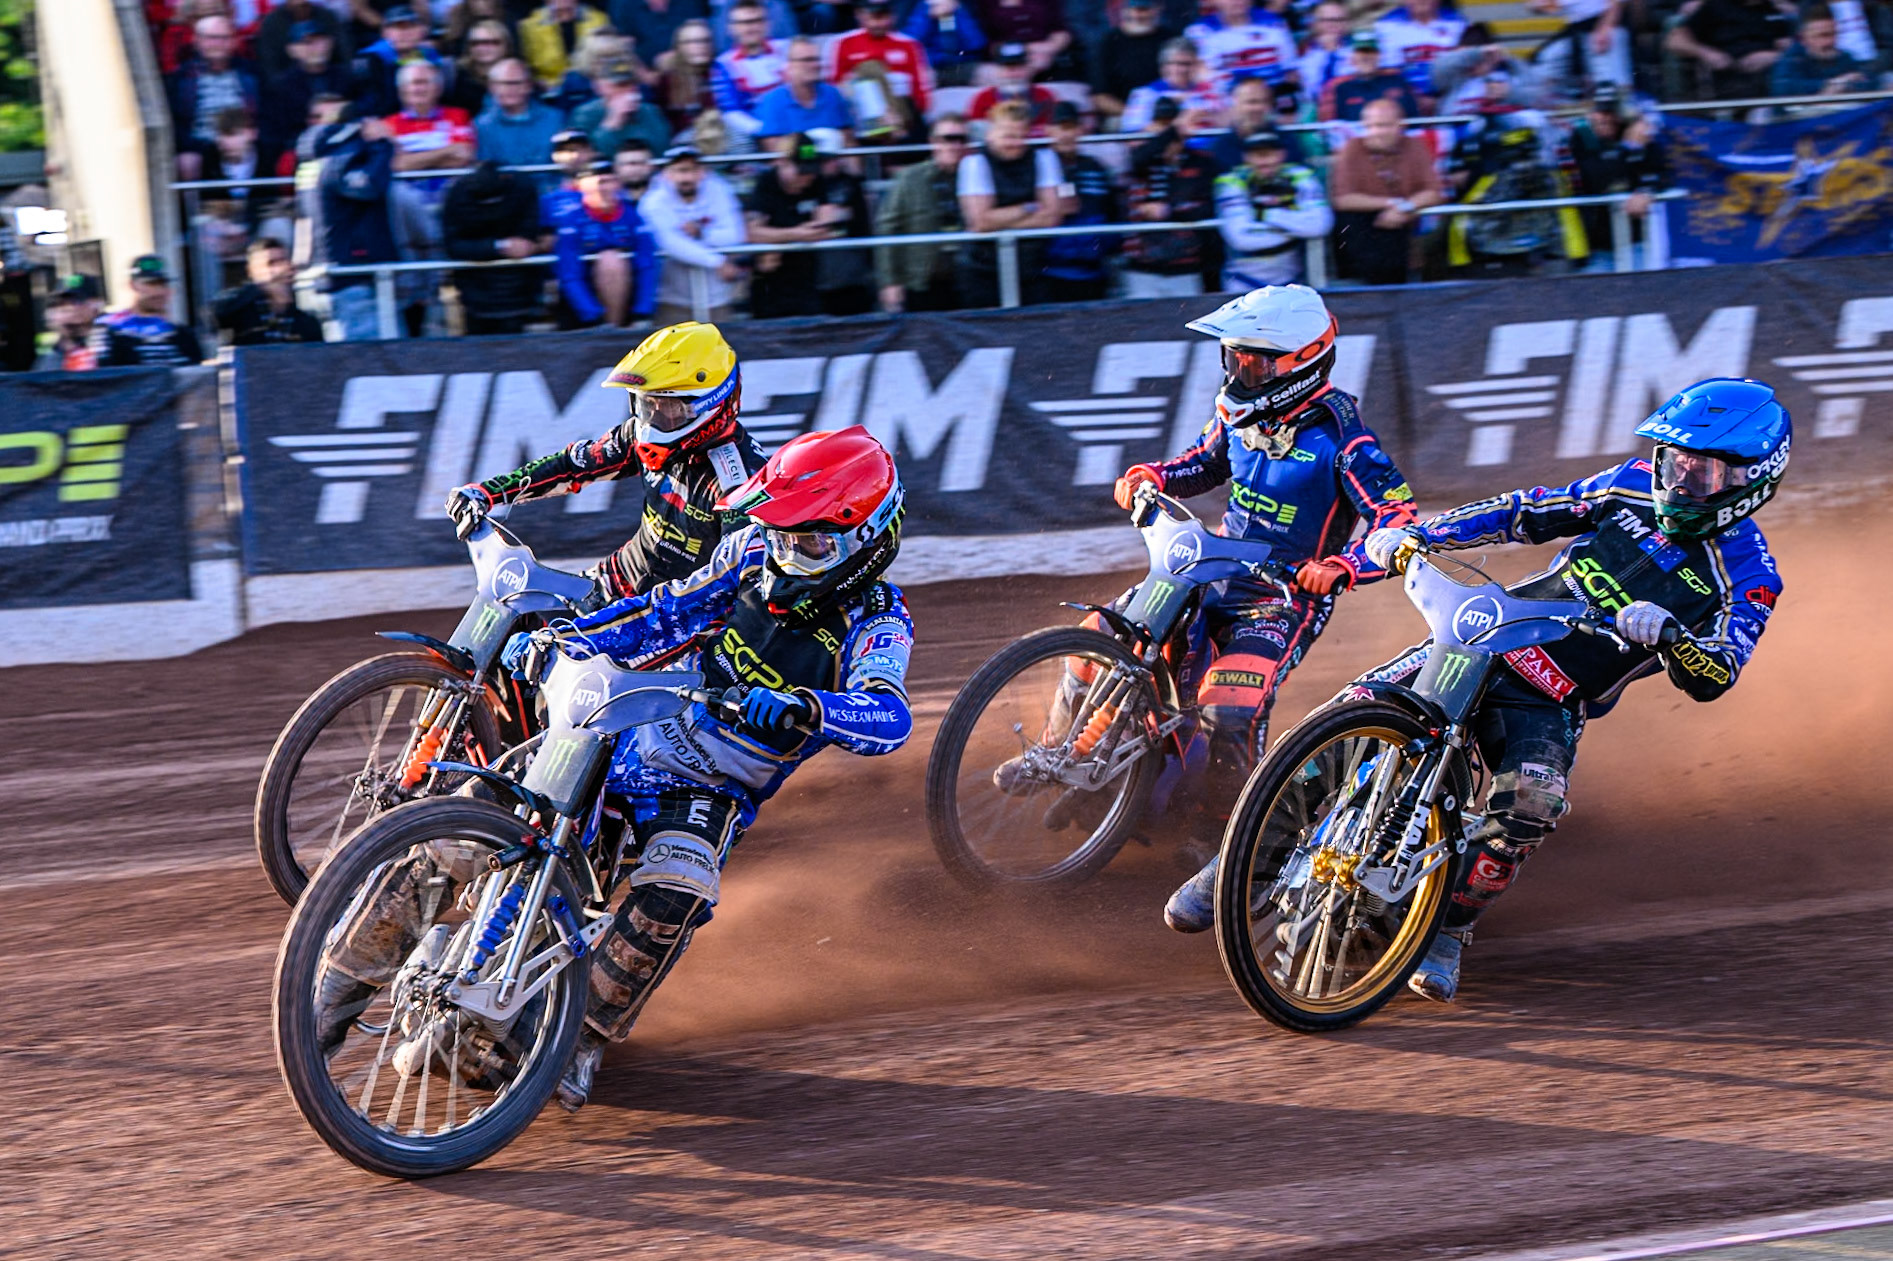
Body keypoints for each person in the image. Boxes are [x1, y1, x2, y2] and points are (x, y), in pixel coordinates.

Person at [484, 425, 913, 1111]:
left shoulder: (877, 618)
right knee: (491, 796)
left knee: (677, 885)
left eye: (805, 540)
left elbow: (889, 716)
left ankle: (581, 1035)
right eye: (776, 529)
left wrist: (806, 707)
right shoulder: (748, 551)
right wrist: (560, 640)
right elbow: (662, 614)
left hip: (710, 785)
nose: (781, 549)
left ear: (861, 542)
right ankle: (366, 944)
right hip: (640, 721)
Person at [1356, 379, 1788, 1001]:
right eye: (1675, 461)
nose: (1679, 480)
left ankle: (1449, 927)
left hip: (1552, 695)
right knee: (1358, 710)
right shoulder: (1632, 482)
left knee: (1531, 803)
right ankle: (1240, 860)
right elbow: (1525, 511)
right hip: (1487, 636)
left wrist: (1671, 637)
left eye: (1703, 472)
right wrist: (1426, 533)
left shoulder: (1750, 576)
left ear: (1752, 481)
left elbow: (1717, 675)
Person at [1040, 286, 1419, 930]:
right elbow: (1205, 463)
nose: (1239, 371)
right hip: (1212, 566)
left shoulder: (1346, 440)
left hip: (1280, 596)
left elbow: (1400, 523)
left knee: (1230, 706)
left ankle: (1227, 832)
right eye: (1234, 357)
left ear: (1304, 359)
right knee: (1095, 632)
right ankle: (1058, 750)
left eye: (1255, 362)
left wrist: (1346, 566)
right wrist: (1155, 476)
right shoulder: (1237, 412)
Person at [444, 321, 768, 605]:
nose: (652, 418)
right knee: (521, 622)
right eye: (646, 404)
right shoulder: (645, 434)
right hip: (615, 581)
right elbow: (572, 466)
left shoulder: (741, 482)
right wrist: (487, 492)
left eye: (665, 407)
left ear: (709, 404)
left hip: (672, 618)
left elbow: (735, 585)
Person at [298, 108, 401, 342]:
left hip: (328, 275)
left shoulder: (313, 158)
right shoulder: (345, 156)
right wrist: (382, 146)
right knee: (365, 365)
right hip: (351, 278)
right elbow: (368, 185)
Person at [956, 101, 1064, 308]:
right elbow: (980, 222)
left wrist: (998, 219)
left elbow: (1051, 217)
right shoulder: (974, 162)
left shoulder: (1044, 157)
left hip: (1033, 267)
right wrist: (1029, 208)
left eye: (1022, 136)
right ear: (990, 134)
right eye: (1009, 136)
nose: (1016, 143)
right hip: (981, 269)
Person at [1330, 97, 1443, 284]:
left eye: (1384, 126)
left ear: (1400, 125)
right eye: (1371, 126)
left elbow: (1433, 191)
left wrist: (1404, 208)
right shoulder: (1352, 148)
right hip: (1362, 226)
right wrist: (1391, 204)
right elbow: (1343, 199)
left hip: (1404, 221)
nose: (1377, 132)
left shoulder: (1415, 146)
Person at [744, 133, 857, 319]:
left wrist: (777, 238)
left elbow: (831, 229)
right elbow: (752, 232)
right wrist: (798, 234)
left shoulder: (817, 181)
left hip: (808, 279)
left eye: (811, 171)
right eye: (801, 171)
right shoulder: (765, 183)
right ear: (782, 162)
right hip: (769, 283)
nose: (807, 178)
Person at [1120, 100, 1222, 298]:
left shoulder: (1202, 162)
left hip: (1188, 267)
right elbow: (1137, 161)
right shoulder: (1141, 160)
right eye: (1160, 124)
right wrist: (1172, 131)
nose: (1164, 132)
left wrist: (1169, 210)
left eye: (1170, 124)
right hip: (1142, 267)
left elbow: (1204, 208)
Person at [638, 145, 748, 325]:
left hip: (717, 297)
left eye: (693, 170)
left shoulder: (719, 190)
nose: (686, 177)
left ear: (702, 172)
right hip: (672, 299)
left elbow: (735, 234)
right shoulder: (653, 201)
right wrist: (717, 261)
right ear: (667, 174)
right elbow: (668, 242)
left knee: (720, 350)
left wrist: (702, 233)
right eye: (680, 171)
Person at [874, 114, 970, 313]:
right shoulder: (910, 178)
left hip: (966, 278)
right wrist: (889, 282)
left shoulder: (976, 177)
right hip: (920, 279)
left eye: (961, 139)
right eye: (947, 139)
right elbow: (887, 228)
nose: (954, 145)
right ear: (933, 142)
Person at [1213, 128, 1331, 290]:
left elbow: (1319, 225)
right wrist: (1294, 225)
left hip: (1291, 281)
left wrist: (1266, 215)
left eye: (1270, 153)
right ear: (1246, 157)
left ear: (1282, 154)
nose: (1264, 161)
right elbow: (1241, 239)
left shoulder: (1301, 175)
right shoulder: (1230, 181)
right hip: (1242, 281)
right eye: (1257, 155)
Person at [549, 158, 659, 328]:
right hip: (582, 301)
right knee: (609, 260)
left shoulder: (631, 216)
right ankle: (607, 328)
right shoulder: (572, 220)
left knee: (612, 260)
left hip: (627, 293)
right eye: (597, 183)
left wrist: (643, 310)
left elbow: (647, 264)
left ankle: (615, 326)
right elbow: (569, 273)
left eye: (609, 181)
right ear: (581, 186)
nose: (603, 189)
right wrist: (591, 314)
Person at [443, 160, 547, 334]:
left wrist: (527, 246)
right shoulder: (458, 194)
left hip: (519, 289)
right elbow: (453, 245)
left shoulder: (523, 188)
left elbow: (529, 238)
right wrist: (500, 246)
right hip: (475, 291)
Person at [168, 13, 262, 179]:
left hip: (243, 142)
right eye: (211, 38)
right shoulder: (181, 78)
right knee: (187, 162)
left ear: (234, 41)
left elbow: (263, 115)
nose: (218, 44)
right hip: (200, 145)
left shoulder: (252, 73)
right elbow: (178, 122)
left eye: (224, 38)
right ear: (197, 41)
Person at [1042, 100, 1116, 303]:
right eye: (1060, 128)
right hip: (1049, 275)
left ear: (1081, 130)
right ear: (1048, 130)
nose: (1066, 135)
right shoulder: (1037, 166)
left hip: (1094, 272)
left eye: (1072, 127)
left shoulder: (1095, 167)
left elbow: (1111, 213)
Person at [260, 18, 355, 177]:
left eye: (319, 41)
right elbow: (274, 133)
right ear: (292, 50)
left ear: (330, 43)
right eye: (306, 42)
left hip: (346, 150)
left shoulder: (347, 78)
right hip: (302, 155)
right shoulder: (280, 87)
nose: (315, 47)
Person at [91, 255, 208, 367]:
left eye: (163, 284)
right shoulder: (110, 331)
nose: (158, 292)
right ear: (132, 285)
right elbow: (103, 379)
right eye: (150, 284)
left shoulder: (183, 335)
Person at [828, 0, 936, 118]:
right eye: (873, 17)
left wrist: (919, 113)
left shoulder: (909, 44)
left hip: (903, 110)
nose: (878, 23)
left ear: (893, 16)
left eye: (883, 16)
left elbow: (920, 87)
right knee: (869, 68)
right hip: (861, 110)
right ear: (860, 15)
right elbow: (834, 83)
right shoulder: (843, 42)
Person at [1666, 0, 1796, 98]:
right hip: (1730, 76)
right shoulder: (1715, 7)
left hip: (1772, 73)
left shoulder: (1771, 10)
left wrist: (1778, 55)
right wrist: (1705, 52)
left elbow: (1785, 45)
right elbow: (1674, 41)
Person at [212, 235, 327, 344]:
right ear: (251, 271)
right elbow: (212, 315)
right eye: (271, 263)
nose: (278, 270)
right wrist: (259, 288)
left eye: (282, 261)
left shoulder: (306, 322)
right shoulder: (238, 312)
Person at [1184, 0, 1301, 103]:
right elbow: (1199, 76)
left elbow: (1290, 71)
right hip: (1225, 105)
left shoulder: (1273, 23)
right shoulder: (1200, 31)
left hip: (1274, 100)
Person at [753, 36, 855, 148]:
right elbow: (775, 151)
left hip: (835, 161)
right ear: (789, 65)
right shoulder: (773, 100)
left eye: (817, 59)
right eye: (807, 60)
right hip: (796, 163)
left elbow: (848, 143)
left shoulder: (833, 94)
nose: (815, 65)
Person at [475, 57, 566, 178]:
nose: (510, 89)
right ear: (492, 87)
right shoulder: (481, 126)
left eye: (516, 83)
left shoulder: (555, 119)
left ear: (528, 86)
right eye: (503, 83)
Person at [351, 5, 447, 119]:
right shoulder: (367, 60)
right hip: (384, 122)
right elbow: (369, 104)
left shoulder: (432, 57)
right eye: (396, 27)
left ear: (422, 31)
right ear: (384, 32)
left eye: (410, 26)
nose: (404, 33)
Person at [712, 1, 789, 139]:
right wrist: (766, 130)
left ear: (767, 24)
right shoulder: (723, 64)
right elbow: (731, 112)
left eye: (756, 21)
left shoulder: (787, 50)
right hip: (756, 133)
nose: (750, 28)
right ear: (731, 28)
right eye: (743, 23)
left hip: (794, 124)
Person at [1092, 0, 1175, 125]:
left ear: (1157, 9)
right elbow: (1100, 97)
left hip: (1169, 113)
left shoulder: (1170, 39)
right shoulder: (1108, 42)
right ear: (1124, 10)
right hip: (1124, 115)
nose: (1137, 15)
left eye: (1144, 9)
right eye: (1133, 9)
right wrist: (1137, 115)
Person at [1121, 37, 1229, 132]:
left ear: (1197, 64)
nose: (1181, 69)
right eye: (1174, 63)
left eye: (1186, 64)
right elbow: (1133, 137)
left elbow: (1229, 124)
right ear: (1163, 66)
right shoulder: (1144, 94)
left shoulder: (1212, 90)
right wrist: (1183, 122)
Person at [574, 60, 675, 158]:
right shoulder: (584, 114)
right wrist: (612, 122)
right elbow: (587, 156)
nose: (628, 89)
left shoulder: (650, 111)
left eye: (631, 84)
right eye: (619, 85)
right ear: (599, 87)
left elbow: (662, 150)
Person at [1374, 0, 1470, 101]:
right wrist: (1415, 99)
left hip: (1450, 94)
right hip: (1406, 97)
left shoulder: (1457, 22)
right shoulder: (1387, 24)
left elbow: (1466, 64)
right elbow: (1389, 71)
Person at [1320, 30, 1421, 124]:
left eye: (1371, 52)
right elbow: (1332, 127)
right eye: (1360, 52)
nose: (1366, 57)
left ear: (1380, 55)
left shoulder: (1398, 81)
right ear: (1352, 57)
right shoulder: (1340, 88)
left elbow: (1414, 121)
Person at [1771, 2, 1875, 92]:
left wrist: (1842, 85)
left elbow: (1870, 81)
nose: (1831, 41)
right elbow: (1784, 88)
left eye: (1834, 34)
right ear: (1803, 38)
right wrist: (1835, 83)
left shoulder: (1844, 57)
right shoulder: (1792, 59)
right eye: (1823, 35)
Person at [519, 0, 614, 90]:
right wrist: (538, 83)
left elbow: (606, 61)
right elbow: (528, 68)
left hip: (592, 88)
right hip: (548, 92)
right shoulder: (529, 27)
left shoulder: (600, 21)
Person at [967, 42, 1061, 130]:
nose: (1014, 74)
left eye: (1019, 67)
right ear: (998, 71)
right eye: (1008, 68)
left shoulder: (1045, 95)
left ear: (1029, 68)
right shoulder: (983, 99)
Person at [653, 20, 721, 136]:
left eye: (705, 41)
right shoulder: (668, 80)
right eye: (692, 42)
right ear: (679, 47)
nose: (701, 46)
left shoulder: (722, 72)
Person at [971, 0, 1073, 75]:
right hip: (1004, 64)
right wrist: (1025, 51)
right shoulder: (984, 3)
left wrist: (1049, 49)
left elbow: (1061, 31)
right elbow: (985, 41)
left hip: (1050, 60)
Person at [904, 0, 990, 88]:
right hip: (931, 66)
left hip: (963, 65)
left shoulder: (963, 6)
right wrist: (928, 16)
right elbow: (910, 42)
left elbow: (977, 43)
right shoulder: (918, 6)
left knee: (991, 74)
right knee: (920, 80)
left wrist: (958, 13)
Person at [34, 275, 103, 373]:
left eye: (76, 302)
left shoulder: (113, 345)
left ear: (95, 305)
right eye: (61, 303)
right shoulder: (48, 359)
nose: (68, 308)